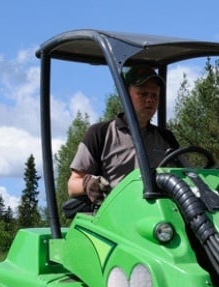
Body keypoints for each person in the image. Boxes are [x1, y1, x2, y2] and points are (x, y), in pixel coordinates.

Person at [67, 66, 179, 204]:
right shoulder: (100, 133)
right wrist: (89, 183)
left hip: (158, 215)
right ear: (125, 94)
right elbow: (72, 185)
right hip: (113, 217)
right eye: (143, 94)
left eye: (154, 95)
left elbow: (187, 175)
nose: (150, 100)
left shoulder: (166, 138)